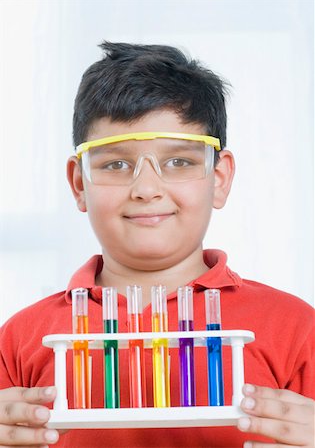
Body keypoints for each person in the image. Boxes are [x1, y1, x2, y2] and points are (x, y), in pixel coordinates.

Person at [0, 41, 314, 448]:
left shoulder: (295, 329)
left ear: (219, 179)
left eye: (179, 162)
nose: (146, 188)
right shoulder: (21, 338)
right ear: (80, 184)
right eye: (115, 164)